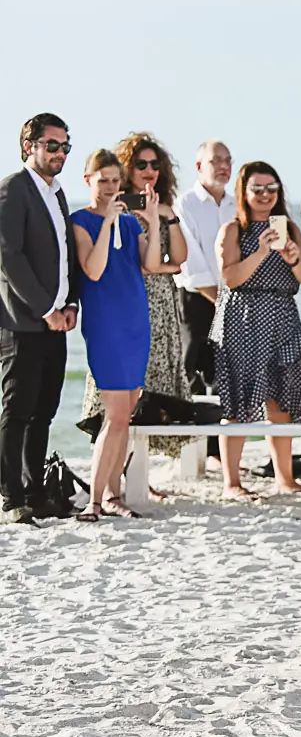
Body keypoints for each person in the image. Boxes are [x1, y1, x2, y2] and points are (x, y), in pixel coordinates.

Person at [81, 133, 191, 463]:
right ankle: (117, 473)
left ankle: (134, 469)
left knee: (148, 394)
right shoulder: (117, 208)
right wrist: (162, 266)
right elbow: (138, 266)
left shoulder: (159, 206)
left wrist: (167, 217)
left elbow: (180, 259)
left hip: (161, 308)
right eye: (140, 164)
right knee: (119, 396)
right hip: (127, 304)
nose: (149, 170)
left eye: (155, 164)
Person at [215, 161, 301, 499]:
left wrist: (291, 258)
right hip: (243, 318)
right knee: (239, 404)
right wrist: (259, 252)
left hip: (282, 316)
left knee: (281, 403)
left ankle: (284, 479)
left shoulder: (290, 228)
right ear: (243, 193)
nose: (265, 195)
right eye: (257, 189)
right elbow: (230, 279)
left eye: (271, 188)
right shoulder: (233, 230)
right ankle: (232, 483)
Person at [0, 113, 81, 524]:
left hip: (57, 321)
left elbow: (66, 256)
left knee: (44, 411)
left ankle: (35, 493)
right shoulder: (14, 188)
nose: (60, 153)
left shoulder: (59, 193)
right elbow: (8, 257)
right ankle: (10, 497)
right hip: (22, 322)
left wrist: (70, 306)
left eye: (66, 146)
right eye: (53, 145)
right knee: (16, 412)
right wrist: (45, 309)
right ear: (29, 145)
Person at [71, 149, 160, 519]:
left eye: (115, 181)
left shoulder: (130, 223)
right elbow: (92, 270)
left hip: (136, 321)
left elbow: (152, 264)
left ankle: (113, 496)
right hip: (106, 323)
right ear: (88, 180)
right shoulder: (80, 221)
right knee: (116, 415)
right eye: (102, 180)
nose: (110, 187)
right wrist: (106, 223)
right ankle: (95, 500)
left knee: (126, 415)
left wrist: (153, 223)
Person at [174, 140, 235, 461]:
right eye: (216, 160)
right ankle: (193, 449)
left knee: (226, 372)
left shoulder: (237, 205)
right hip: (197, 299)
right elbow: (191, 263)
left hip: (233, 300)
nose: (223, 166)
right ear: (199, 166)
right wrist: (220, 300)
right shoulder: (184, 204)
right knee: (195, 368)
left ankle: (218, 448)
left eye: (228, 160)